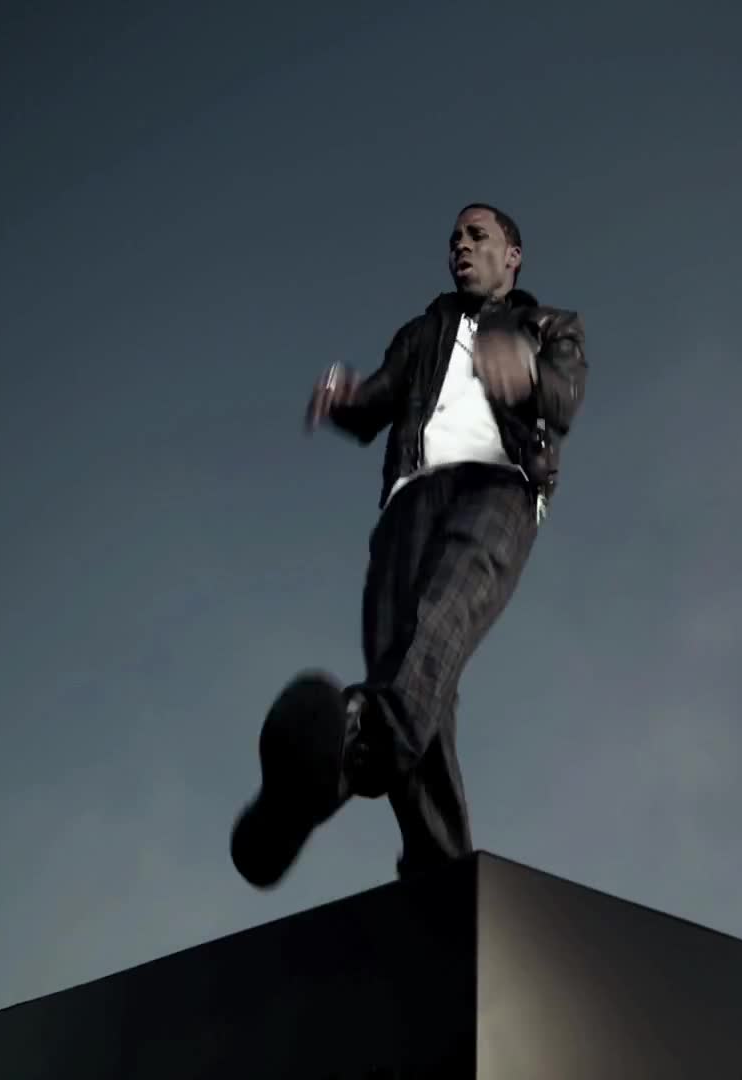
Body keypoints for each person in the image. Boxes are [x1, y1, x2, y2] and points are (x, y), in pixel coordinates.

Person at [229, 202, 588, 888]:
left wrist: (528, 370)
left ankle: (345, 753)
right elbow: (375, 403)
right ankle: (437, 866)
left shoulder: (548, 326)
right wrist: (343, 398)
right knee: (417, 672)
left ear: (512, 256)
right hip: (407, 502)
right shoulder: (423, 332)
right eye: (454, 239)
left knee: (440, 619)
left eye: (477, 236)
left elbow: (564, 395)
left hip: (499, 487)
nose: (461, 246)